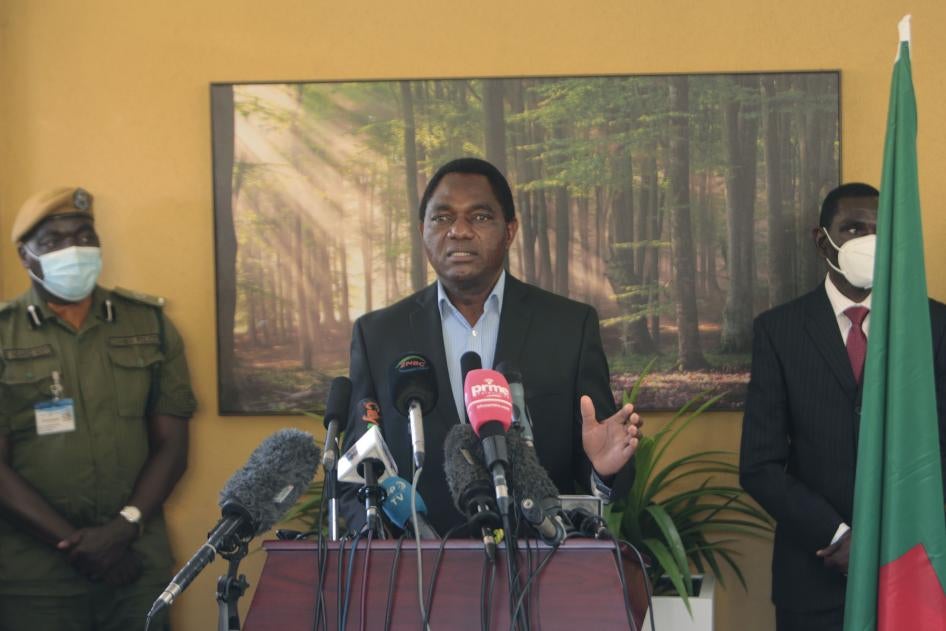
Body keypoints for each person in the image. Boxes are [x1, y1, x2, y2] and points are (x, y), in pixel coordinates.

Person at [339, 157, 642, 536]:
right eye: (443, 218)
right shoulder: (379, 335)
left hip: (538, 571)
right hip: (418, 575)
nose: (459, 231)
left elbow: (599, 456)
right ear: (423, 231)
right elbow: (355, 472)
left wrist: (603, 468)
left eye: (479, 217)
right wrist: (377, 557)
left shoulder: (569, 327)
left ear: (510, 230)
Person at [739, 182, 946, 631]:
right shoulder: (779, 331)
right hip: (811, 578)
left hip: (912, 571)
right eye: (853, 228)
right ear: (822, 240)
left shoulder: (933, 325)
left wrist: (889, 537)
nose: (868, 241)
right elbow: (760, 465)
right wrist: (840, 536)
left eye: (879, 230)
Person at [0, 187, 197, 631]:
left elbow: (172, 447)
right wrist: (77, 545)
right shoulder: (4, 336)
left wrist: (123, 529)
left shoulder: (148, 326)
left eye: (84, 236)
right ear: (25, 256)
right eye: (52, 242)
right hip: (34, 579)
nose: (73, 249)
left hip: (136, 566)